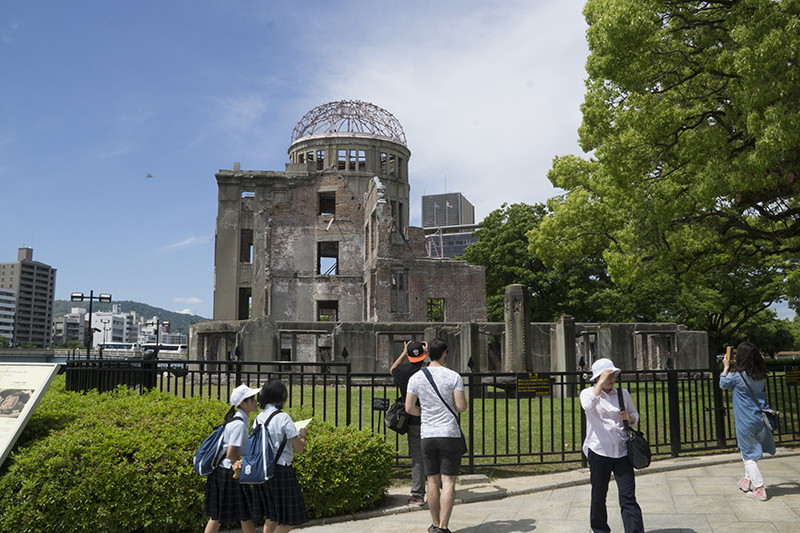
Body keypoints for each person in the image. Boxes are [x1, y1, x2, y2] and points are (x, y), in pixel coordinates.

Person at [405, 338, 466, 533]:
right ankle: (444, 526)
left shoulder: (416, 377)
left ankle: (434, 524)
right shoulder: (453, 376)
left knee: (432, 480)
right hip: (449, 434)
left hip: (428, 434)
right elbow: (461, 407)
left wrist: (425, 412)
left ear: (428, 353)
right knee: (448, 481)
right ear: (445, 352)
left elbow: (409, 407)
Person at [580, 358, 644, 533]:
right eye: (607, 375)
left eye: (613, 374)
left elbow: (635, 415)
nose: (612, 378)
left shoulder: (623, 393)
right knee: (599, 496)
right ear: (598, 377)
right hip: (599, 451)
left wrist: (629, 418)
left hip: (622, 452)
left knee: (628, 496)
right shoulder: (588, 394)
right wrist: (599, 385)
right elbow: (588, 406)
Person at [251, 379, 309, 533]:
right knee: (289, 520)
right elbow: (299, 448)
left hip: (263, 471)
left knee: (271, 517)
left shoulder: (258, 418)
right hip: (282, 470)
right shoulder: (283, 418)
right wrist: (303, 435)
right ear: (281, 396)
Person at [720, 341, 776, 501]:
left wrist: (726, 366)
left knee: (748, 454)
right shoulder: (760, 376)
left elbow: (723, 384)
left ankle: (759, 489)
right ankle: (746, 481)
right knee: (748, 448)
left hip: (745, 420)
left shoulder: (737, 376)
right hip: (759, 417)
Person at [203, 384, 260, 533]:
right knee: (243, 513)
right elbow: (231, 454)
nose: (255, 402)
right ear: (243, 403)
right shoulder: (239, 425)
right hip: (231, 473)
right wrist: (247, 464)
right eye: (252, 399)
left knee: (221, 515)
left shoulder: (237, 420)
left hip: (225, 472)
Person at [390, 340, 428, 506]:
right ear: (424, 354)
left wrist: (404, 353)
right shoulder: (430, 371)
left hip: (413, 418)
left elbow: (392, 369)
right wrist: (429, 353)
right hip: (433, 418)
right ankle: (442, 486)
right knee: (437, 453)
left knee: (418, 456)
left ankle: (418, 494)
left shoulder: (404, 372)